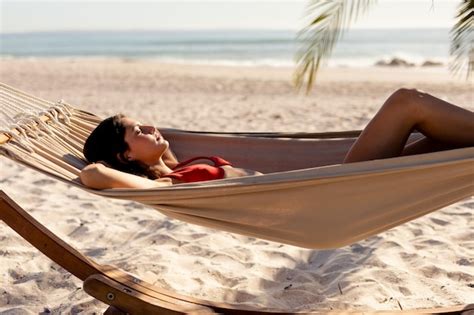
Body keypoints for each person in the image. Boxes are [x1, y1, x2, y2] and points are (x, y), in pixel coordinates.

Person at [80, 88, 474, 189]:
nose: (151, 127)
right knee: (407, 103)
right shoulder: (164, 185)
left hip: (335, 178)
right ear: (125, 154)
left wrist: (158, 153)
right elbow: (96, 175)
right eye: (138, 131)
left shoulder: (181, 163)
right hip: (336, 189)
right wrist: (98, 166)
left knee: (448, 144)